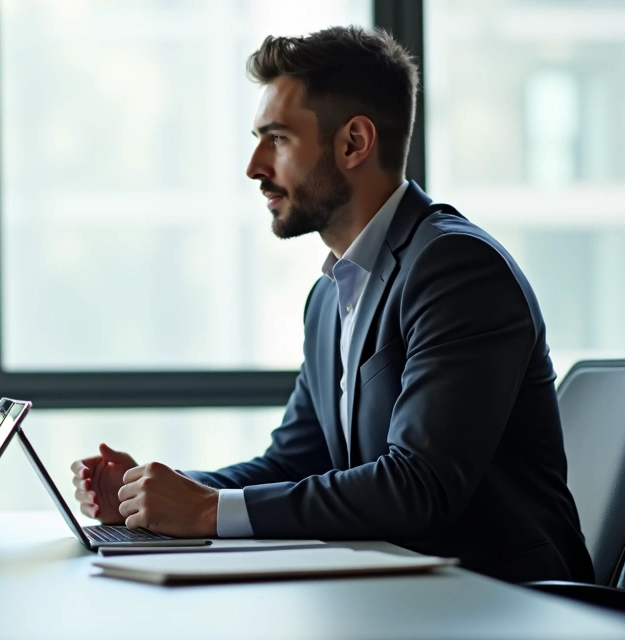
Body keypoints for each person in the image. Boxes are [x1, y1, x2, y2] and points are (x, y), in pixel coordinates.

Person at [70, 26, 594, 583]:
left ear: (353, 143)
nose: (254, 165)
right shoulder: (328, 296)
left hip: (508, 607)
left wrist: (204, 512)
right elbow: (294, 463)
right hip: (398, 597)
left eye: (278, 139)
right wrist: (153, 493)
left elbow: (418, 487)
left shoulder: (457, 269)